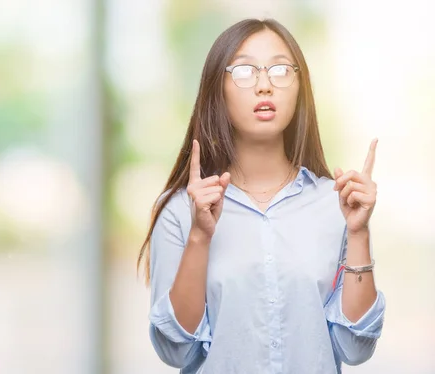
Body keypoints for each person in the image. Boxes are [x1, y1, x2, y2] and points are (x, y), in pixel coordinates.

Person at [137, 18, 385, 373]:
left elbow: (356, 349)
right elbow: (175, 351)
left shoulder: (337, 206)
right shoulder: (180, 211)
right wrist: (199, 236)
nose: (265, 85)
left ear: (300, 88)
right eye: (244, 71)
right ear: (216, 89)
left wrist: (359, 232)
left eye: (281, 70)